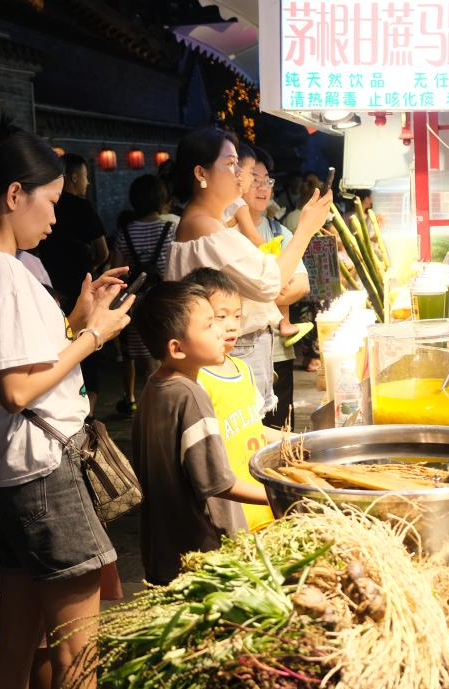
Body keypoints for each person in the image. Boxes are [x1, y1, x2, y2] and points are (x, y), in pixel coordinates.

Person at [0, 120, 133, 689]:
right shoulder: (2, 273)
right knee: (81, 650)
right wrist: (95, 337)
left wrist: (76, 319)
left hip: (5, 477)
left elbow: (22, 363)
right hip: (42, 479)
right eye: (50, 201)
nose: (56, 217)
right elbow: (17, 389)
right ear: (13, 195)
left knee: (19, 637)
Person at [164, 128, 332, 416]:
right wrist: (306, 228)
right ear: (200, 174)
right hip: (234, 348)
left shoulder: (211, 224)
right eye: (230, 164)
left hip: (238, 348)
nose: (239, 173)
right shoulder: (205, 228)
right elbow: (269, 284)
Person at [130, 281, 268, 584]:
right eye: (209, 326)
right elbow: (219, 484)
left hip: (162, 549)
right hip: (201, 554)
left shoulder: (155, 387)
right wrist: (279, 496)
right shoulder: (190, 395)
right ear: (176, 348)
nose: (222, 331)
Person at [183, 268, 278, 531]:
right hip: (230, 507)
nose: (232, 324)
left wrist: (294, 441)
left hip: (261, 496)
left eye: (237, 315)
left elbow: (253, 426)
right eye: (220, 316)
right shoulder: (197, 380)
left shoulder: (242, 369)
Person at [37, 153, 110, 415]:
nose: (88, 183)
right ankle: (86, 416)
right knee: (84, 351)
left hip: (50, 289)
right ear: (75, 177)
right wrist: (91, 270)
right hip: (78, 287)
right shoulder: (82, 207)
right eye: (86, 176)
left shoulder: (27, 265)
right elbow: (103, 251)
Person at [245, 151, 312, 428]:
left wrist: (260, 289)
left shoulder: (279, 230)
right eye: (254, 179)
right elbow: (278, 287)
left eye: (267, 180)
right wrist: (275, 285)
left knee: (281, 433)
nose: (262, 187)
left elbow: (300, 286)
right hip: (236, 357)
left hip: (278, 356)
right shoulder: (221, 234)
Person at [111, 174, 178, 415]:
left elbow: (116, 274)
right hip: (166, 301)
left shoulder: (124, 233)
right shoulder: (172, 228)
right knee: (168, 357)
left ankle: (152, 410)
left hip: (136, 304)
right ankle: (168, 411)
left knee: (148, 364)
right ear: (161, 198)